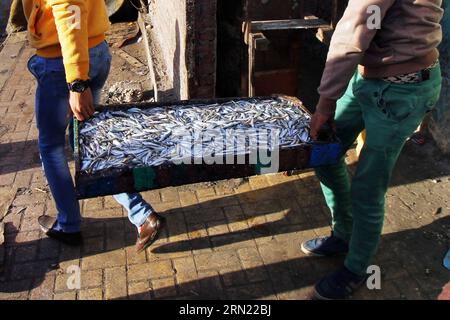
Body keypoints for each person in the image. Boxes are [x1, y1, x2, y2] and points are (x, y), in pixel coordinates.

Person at [303, 0, 443, 299]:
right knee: (325, 155)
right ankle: (343, 234)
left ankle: (357, 267)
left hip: (402, 91)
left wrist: (325, 104)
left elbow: (355, 29)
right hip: (365, 76)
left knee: (368, 186)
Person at [23, 0, 165, 252]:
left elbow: (69, 10)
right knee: (87, 143)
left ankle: (69, 225)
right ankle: (142, 216)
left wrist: (77, 83)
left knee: (51, 148)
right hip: (94, 49)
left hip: (66, 62)